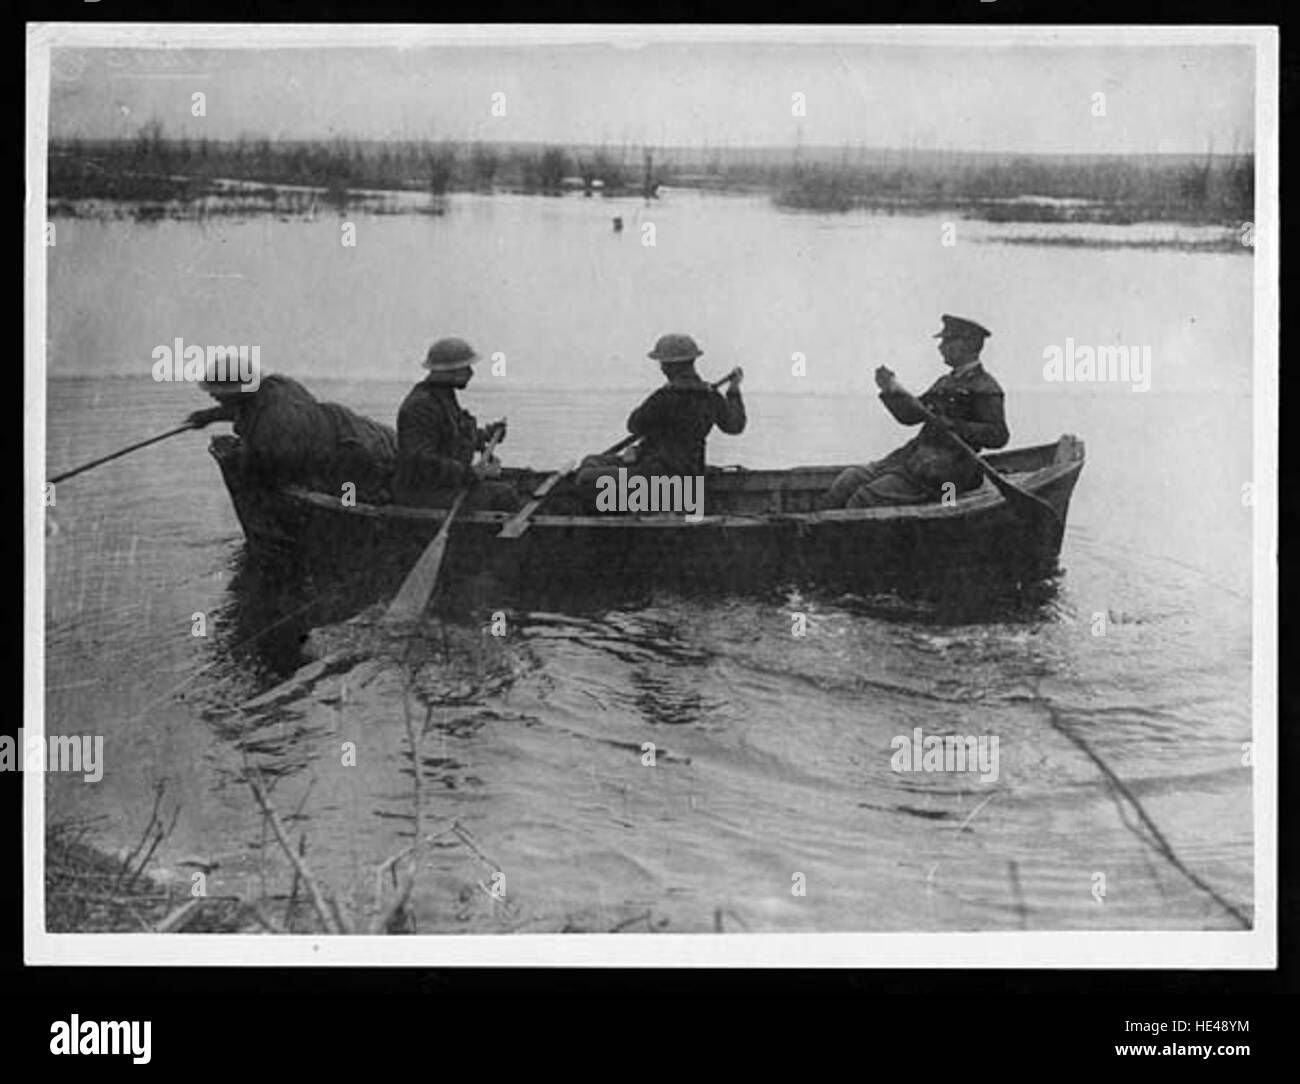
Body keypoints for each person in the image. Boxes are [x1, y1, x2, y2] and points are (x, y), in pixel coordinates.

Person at [821, 315, 1009, 509]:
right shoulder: (945, 382)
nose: (940, 347)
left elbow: (998, 436)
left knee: (864, 500)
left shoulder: (986, 386)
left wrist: (955, 426)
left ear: (967, 344)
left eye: (947, 340)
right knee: (849, 479)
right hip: (915, 458)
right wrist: (890, 390)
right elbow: (911, 416)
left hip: (949, 475)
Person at [187, 362, 397, 499]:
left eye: (217, 392)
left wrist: (241, 465)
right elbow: (244, 409)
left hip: (355, 453)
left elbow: (276, 467)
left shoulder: (274, 425)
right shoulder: (274, 386)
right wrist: (209, 416)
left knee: (352, 499)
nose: (212, 395)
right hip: (356, 430)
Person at [575, 333, 746, 491]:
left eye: (662, 364)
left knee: (586, 475)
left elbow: (634, 425)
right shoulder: (711, 396)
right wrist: (734, 390)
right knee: (593, 461)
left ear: (669, 366)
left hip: (656, 477)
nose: (661, 368)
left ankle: (625, 510)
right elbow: (735, 426)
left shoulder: (664, 397)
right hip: (691, 473)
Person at [392, 337, 520, 511]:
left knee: (511, 487)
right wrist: (470, 474)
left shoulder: (443, 397)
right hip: (420, 494)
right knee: (504, 495)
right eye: (465, 368)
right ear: (448, 371)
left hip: (445, 486)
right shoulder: (420, 406)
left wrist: (487, 435)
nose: (471, 373)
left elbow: (455, 436)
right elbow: (421, 463)